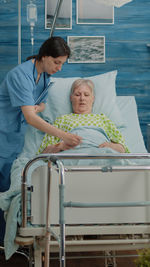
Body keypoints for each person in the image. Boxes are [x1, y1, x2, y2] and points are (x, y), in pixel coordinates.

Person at [0, 36, 81, 245]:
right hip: (2, 133)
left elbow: (41, 104)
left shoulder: (43, 76)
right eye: (57, 62)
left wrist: (37, 108)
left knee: (6, 189)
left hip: (15, 138)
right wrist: (63, 135)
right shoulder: (21, 75)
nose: (60, 68)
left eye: (62, 63)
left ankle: (3, 241)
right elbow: (29, 118)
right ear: (44, 56)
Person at [37, 79, 130, 154]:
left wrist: (111, 146)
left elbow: (123, 149)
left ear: (93, 98)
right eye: (77, 94)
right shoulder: (62, 120)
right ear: (71, 98)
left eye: (86, 95)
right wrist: (60, 146)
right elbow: (44, 153)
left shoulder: (102, 119)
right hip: (72, 158)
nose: (82, 98)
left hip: (102, 156)